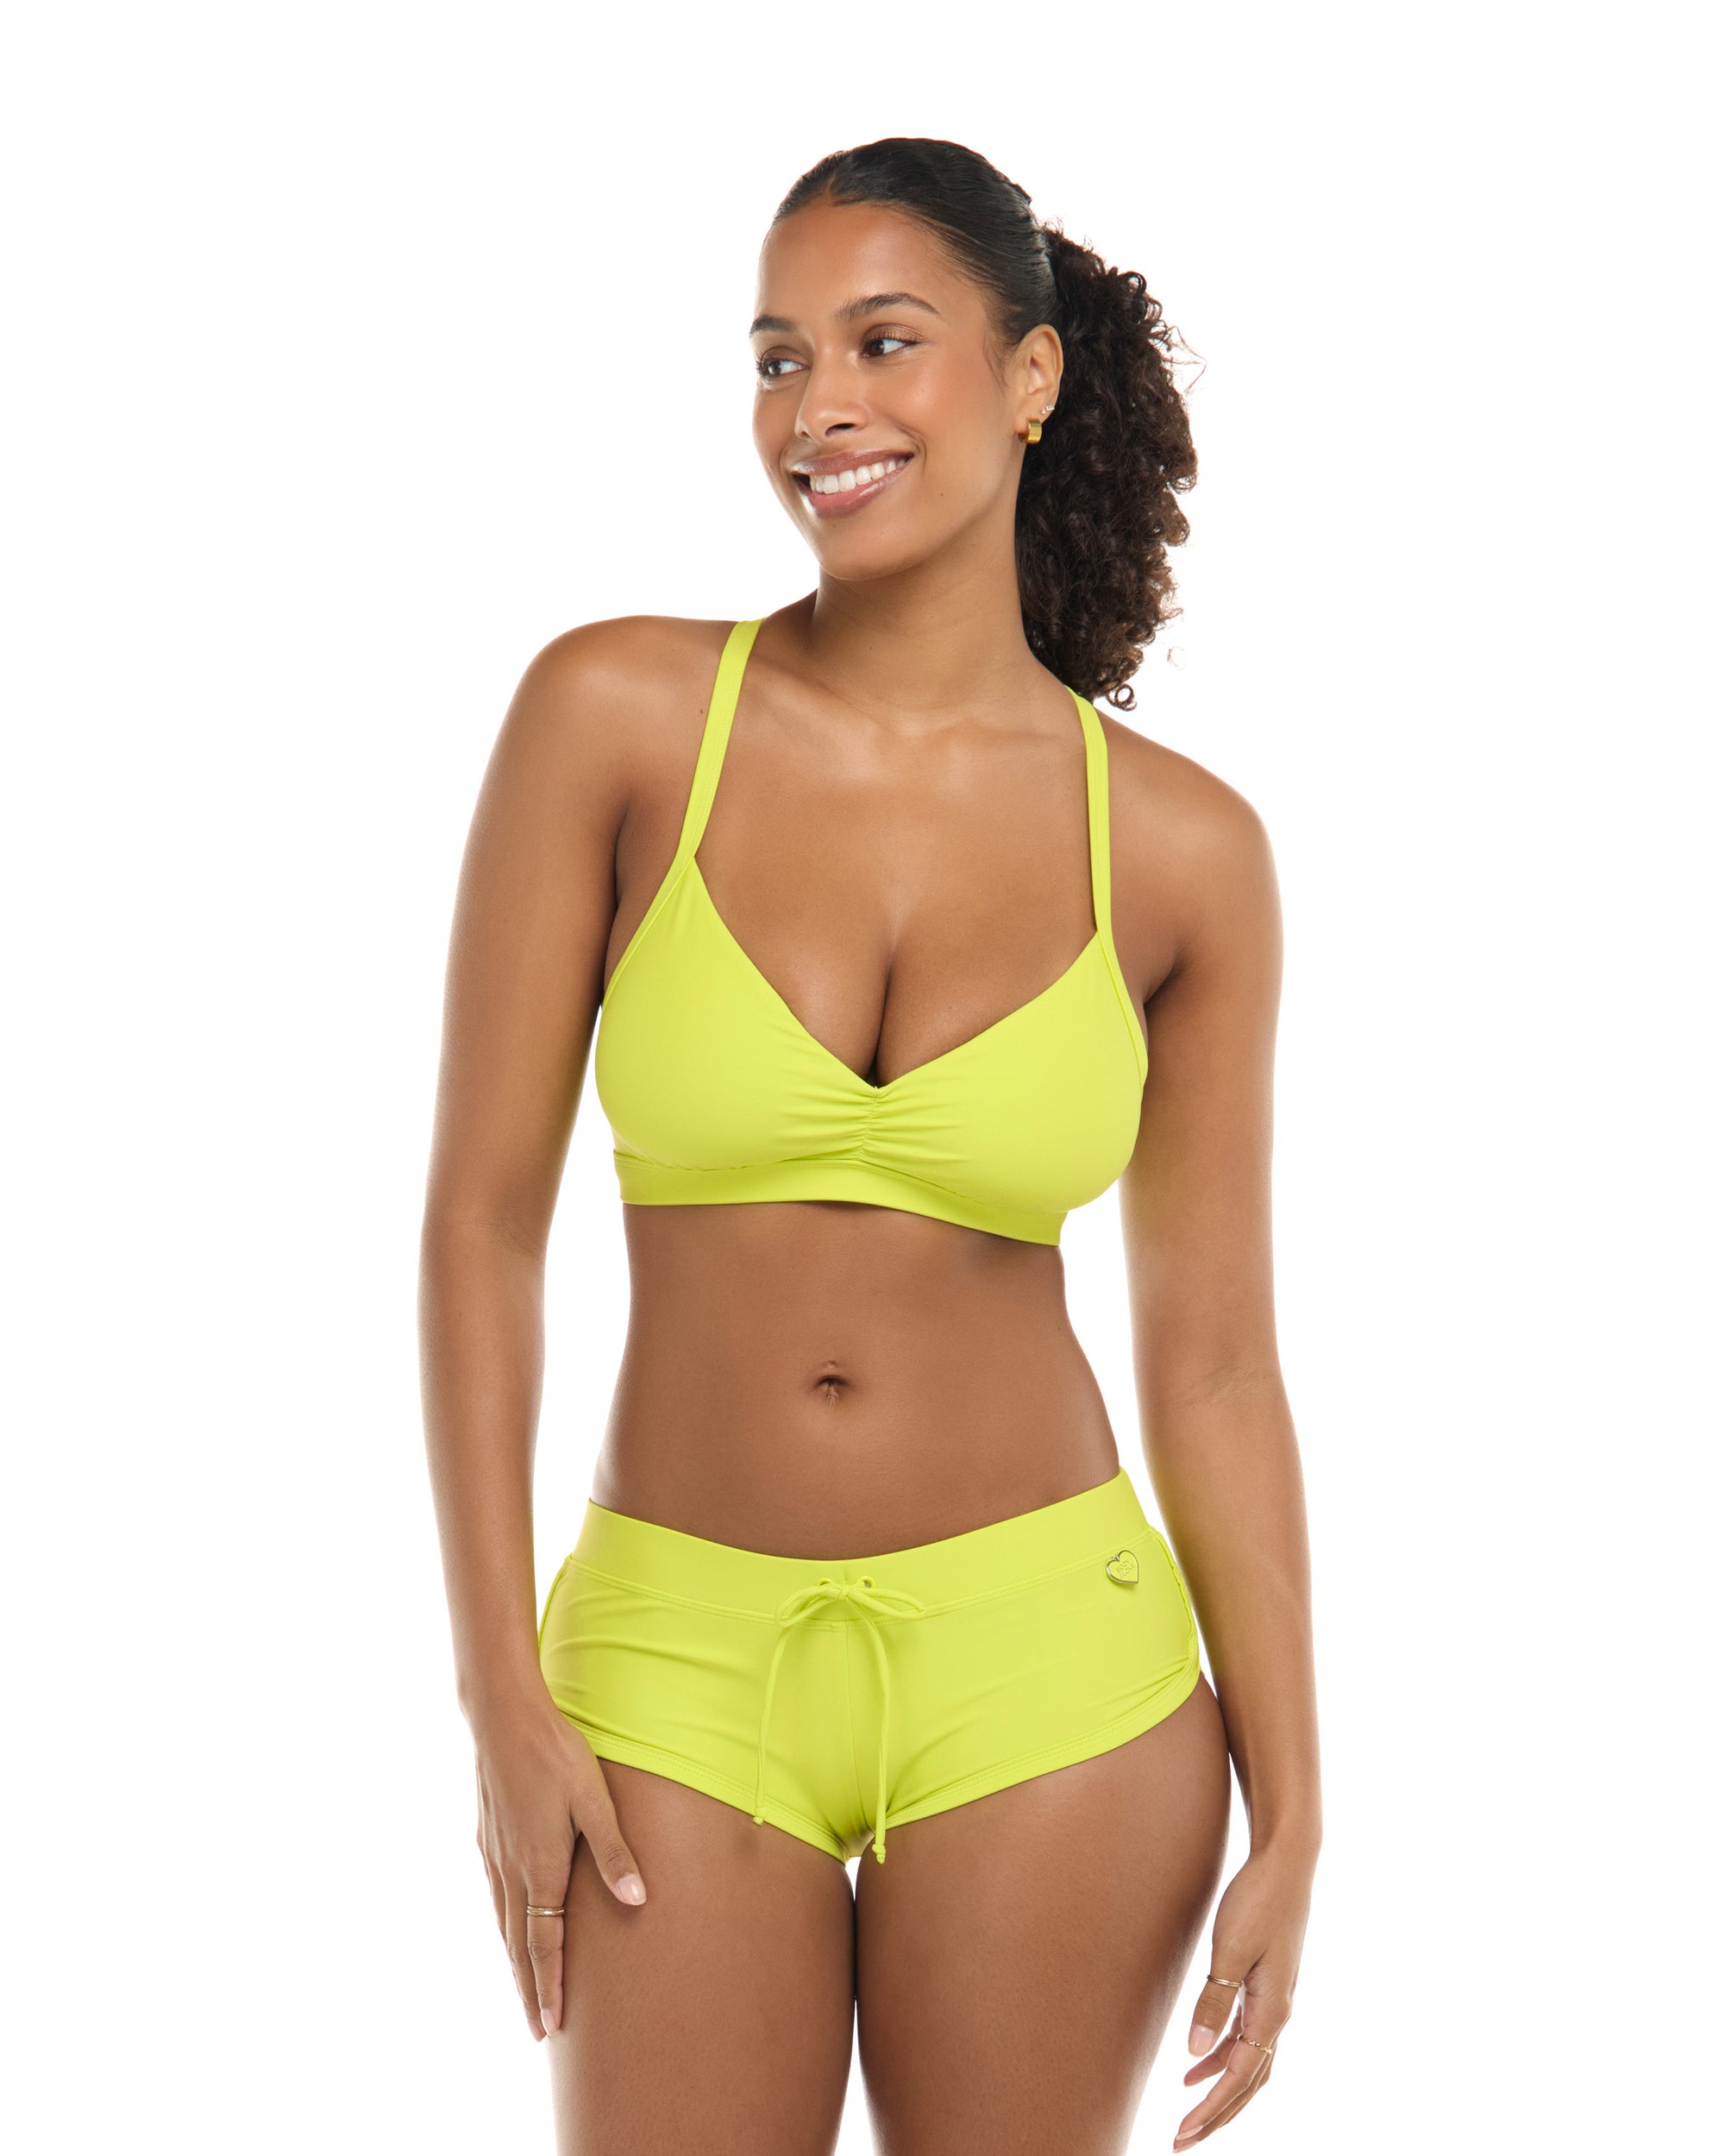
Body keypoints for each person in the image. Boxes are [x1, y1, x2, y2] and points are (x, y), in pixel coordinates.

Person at [420, 135, 1320, 2154]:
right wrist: (498, 1695)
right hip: (668, 1659)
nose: (817, 406)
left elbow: (1212, 1359)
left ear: (1030, 374)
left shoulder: (1185, 850)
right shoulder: (615, 716)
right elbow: (479, 1226)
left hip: (1055, 1670)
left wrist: (1297, 1800)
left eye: (880, 342)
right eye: (778, 356)